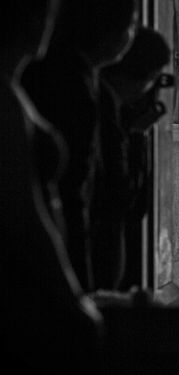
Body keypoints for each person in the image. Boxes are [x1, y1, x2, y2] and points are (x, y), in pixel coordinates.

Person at [1, 0, 104, 375]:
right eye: (42, 11)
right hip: (26, 284)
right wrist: (69, 294)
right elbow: (27, 214)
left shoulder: (15, 90)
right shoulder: (6, 100)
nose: (48, 22)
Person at [22, 0, 138, 291]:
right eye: (130, 24)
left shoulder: (81, 77)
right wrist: (78, 282)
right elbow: (76, 186)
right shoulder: (75, 83)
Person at [92, 27, 171, 290]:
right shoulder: (105, 110)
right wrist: (136, 136)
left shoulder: (97, 98)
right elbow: (126, 194)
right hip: (99, 248)